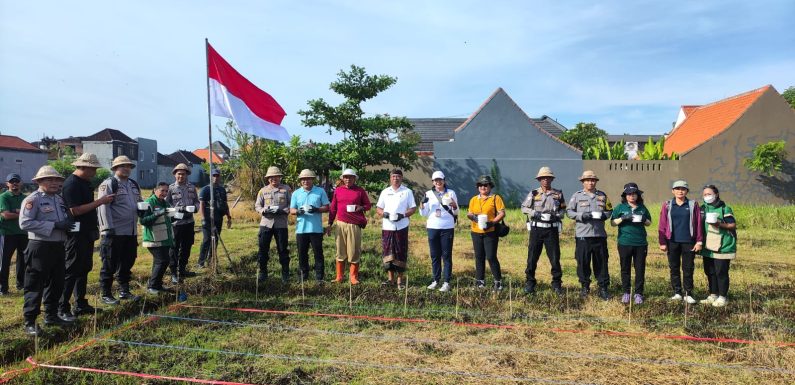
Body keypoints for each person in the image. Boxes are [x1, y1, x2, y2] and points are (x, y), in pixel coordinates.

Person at [19, 166, 75, 335]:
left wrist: (67, 226)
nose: (54, 183)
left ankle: (51, 315)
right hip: (40, 246)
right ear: (39, 182)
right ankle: (30, 321)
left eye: (57, 180)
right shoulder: (33, 199)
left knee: (56, 282)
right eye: (49, 179)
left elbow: (64, 219)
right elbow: (24, 223)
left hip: (58, 246)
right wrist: (54, 225)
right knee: (35, 284)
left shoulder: (59, 199)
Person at [59, 153, 114, 316]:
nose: (95, 172)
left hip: (86, 232)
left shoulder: (84, 182)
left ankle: (80, 304)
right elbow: (74, 210)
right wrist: (100, 201)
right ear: (83, 167)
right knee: (72, 269)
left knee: (84, 268)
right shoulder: (71, 184)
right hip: (75, 234)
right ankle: (62, 307)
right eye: (93, 169)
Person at [97, 155, 144, 305]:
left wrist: (143, 208)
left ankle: (124, 291)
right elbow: (103, 207)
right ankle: (106, 294)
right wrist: (106, 228)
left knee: (127, 262)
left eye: (128, 166)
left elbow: (139, 201)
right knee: (109, 263)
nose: (126, 168)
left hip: (131, 231)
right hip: (114, 231)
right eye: (122, 166)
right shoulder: (109, 184)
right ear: (115, 168)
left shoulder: (133, 184)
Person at [567, 170, 613, 300]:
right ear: (583, 182)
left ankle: (603, 288)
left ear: (596, 182)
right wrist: (582, 215)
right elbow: (569, 212)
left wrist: (604, 215)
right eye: (587, 180)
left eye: (593, 180)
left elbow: (610, 210)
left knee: (602, 262)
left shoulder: (603, 196)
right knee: (583, 262)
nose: (590, 183)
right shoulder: (576, 196)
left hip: (599, 235)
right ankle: (584, 287)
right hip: (583, 235)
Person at [520, 167, 566, 296]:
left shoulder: (558, 194)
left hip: (551, 229)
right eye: (543, 178)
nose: (546, 180)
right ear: (539, 180)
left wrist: (557, 215)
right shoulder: (534, 193)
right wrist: (535, 213)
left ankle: (556, 284)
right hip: (537, 229)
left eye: (548, 178)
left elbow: (563, 210)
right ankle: (530, 283)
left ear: (552, 179)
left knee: (555, 258)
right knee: (532, 257)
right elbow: (524, 207)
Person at [658, 180, 703, 304]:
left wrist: (699, 241)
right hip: (672, 241)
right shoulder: (667, 205)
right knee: (674, 267)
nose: (680, 191)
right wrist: (662, 242)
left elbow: (698, 223)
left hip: (688, 241)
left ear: (687, 191)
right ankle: (677, 292)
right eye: (677, 189)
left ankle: (688, 293)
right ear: (673, 191)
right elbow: (662, 224)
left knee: (688, 268)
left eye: (683, 189)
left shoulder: (693, 204)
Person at [326, 168, 371, 285]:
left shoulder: (360, 191)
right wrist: (330, 223)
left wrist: (361, 207)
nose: (348, 179)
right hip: (340, 223)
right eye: (346, 177)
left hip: (354, 225)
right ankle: (339, 276)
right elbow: (333, 208)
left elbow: (368, 205)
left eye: (350, 177)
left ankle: (353, 277)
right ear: (343, 179)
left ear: (354, 179)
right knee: (340, 250)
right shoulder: (338, 190)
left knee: (354, 251)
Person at [610, 183, 651, 305]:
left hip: (640, 243)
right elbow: (612, 223)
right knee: (625, 268)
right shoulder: (620, 207)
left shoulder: (642, 208)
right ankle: (626, 292)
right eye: (629, 194)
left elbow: (649, 223)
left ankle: (638, 293)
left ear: (638, 195)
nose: (632, 196)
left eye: (634, 194)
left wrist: (644, 219)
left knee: (640, 269)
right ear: (625, 196)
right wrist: (623, 218)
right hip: (624, 242)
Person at [376, 169, 417, 289]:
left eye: (398, 176)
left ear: (401, 178)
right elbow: (378, 208)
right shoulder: (385, 192)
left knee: (400, 252)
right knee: (388, 252)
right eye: (393, 176)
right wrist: (384, 214)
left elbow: (413, 208)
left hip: (402, 226)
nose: (396, 178)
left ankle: (400, 280)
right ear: (390, 178)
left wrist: (403, 215)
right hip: (388, 227)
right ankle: (390, 279)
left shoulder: (407, 192)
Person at [419, 171, 458, 292]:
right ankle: (436, 280)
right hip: (433, 227)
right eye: (436, 180)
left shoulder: (451, 193)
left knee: (446, 255)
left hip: (447, 227)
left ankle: (446, 282)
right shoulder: (428, 194)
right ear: (433, 182)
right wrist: (422, 204)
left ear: (444, 180)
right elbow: (423, 214)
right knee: (435, 255)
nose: (438, 182)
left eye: (440, 180)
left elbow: (456, 212)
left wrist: (454, 206)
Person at [699, 185, 736, 307]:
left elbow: (732, 225)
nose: (707, 196)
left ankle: (723, 297)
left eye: (709, 194)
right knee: (710, 271)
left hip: (722, 246)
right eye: (705, 194)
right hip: (707, 246)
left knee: (721, 272)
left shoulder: (725, 208)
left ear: (716, 194)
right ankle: (713, 294)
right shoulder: (702, 209)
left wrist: (718, 224)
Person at [466, 175, 505, 291]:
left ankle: (498, 282)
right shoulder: (473, 199)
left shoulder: (495, 198)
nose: (483, 187)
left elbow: (502, 213)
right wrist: (473, 217)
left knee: (491, 257)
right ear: (478, 187)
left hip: (490, 232)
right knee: (479, 257)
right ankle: (480, 281)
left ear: (490, 186)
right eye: (480, 185)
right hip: (476, 231)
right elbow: (469, 213)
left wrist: (492, 223)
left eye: (485, 185)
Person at [289, 169, 330, 282]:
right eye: (303, 179)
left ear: (312, 179)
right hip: (301, 229)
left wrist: (316, 209)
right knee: (302, 254)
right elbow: (291, 209)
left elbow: (327, 207)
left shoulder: (320, 191)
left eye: (308, 179)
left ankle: (319, 277)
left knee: (318, 254)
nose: (305, 181)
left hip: (316, 229)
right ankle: (303, 276)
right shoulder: (296, 193)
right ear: (300, 181)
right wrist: (298, 211)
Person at [254, 166, 291, 283]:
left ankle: (285, 274)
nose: (274, 178)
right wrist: (263, 210)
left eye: (276, 176)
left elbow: (292, 204)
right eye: (271, 177)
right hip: (266, 223)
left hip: (281, 224)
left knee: (283, 249)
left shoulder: (286, 189)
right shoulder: (263, 191)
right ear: (268, 178)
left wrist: (284, 210)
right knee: (263, 249)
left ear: (280, 177)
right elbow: (257, 205)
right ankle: (263, 273)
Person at [166, 163, 200, 283]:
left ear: (187, 175)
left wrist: (195, 208)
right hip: (176, 224)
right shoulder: (170, 188)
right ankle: (174, 273)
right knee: (174, 248)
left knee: (187, 246)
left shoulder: (192, 187)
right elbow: (166, 205)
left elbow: (197, 201)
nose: (181, 176)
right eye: (179, 174)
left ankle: (182, 269)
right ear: (175, 175)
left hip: (189, 222)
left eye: (183, 174)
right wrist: (178, 210)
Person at [140, 182, 174, 294]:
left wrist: (179, 214)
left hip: (165, 238)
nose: (164, 193)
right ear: (155, 190)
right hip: (153, 239)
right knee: (163, 260)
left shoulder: (165, 203)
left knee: (159, 262)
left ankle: (157, 285)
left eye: (166, 191)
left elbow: (170, 219)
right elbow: (143, 221)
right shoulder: (149, 203)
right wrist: (157, 214)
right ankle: (152, 286)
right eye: (162, 190)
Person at [198, 168, 232, 269]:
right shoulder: (205, 189)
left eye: (217, 176)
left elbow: (225, 204)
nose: (215, 178)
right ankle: (201, 262)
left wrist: (229, 217)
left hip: (219, 218)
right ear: (210, 177)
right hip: (208, 219)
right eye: (214, 175)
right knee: (207, 240)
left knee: (216, 239)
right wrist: (203, 219)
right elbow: (201, 205)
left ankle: (211, 260)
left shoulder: (222, 190)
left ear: (219, 177)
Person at [0, 173, 28, 295]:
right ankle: (3, 288)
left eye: (16, 181)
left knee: (23, 260)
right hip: (7, 233)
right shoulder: (3, 197)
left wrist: (15, 211)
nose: (14, 183)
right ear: (7, 184)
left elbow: (32, 213)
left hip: (23, 232)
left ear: (21, 183)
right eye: (12, 181)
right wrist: (23, 213)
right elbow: (6, 215)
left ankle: (21, 285)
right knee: (4, 261)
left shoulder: (25, 198)